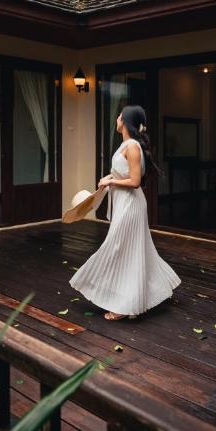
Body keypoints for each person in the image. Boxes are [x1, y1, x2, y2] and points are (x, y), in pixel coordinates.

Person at [70, 105, 181, 320]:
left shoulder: (131, 147)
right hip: (123, 202)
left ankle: (123, 305)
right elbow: (122, 174)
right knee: (132, 249)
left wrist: (111, 181)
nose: (117, 118)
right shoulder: (126, 145)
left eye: (120, 115)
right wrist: (108, 179)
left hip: (131, 204)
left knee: (118, 247)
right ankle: (140, 294)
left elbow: (135, 181)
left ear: (126, 121)